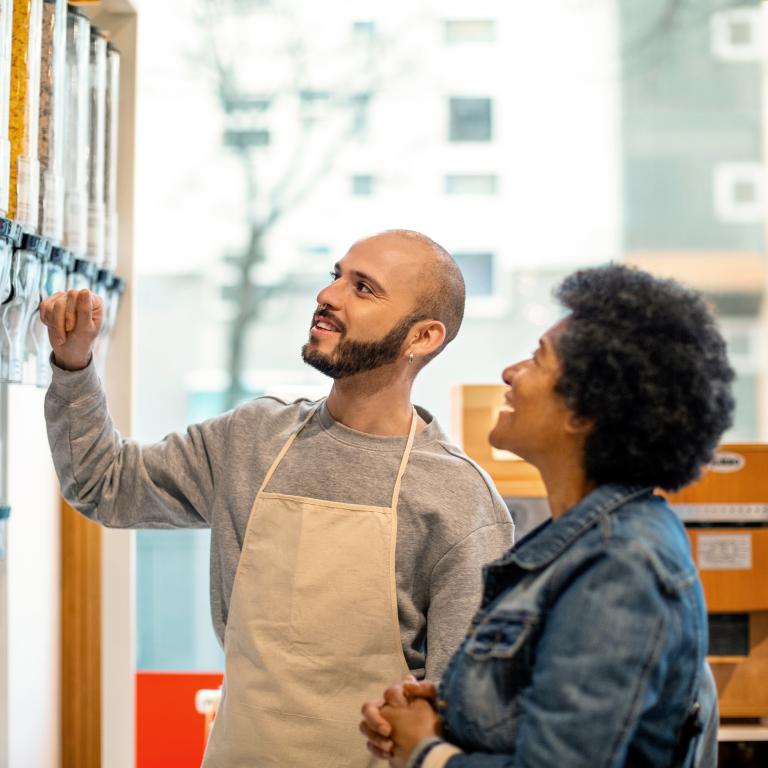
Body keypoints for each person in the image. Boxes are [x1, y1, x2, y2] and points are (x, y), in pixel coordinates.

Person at [41, 229, 514, 767]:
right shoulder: (252, 439)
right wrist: (74, 367)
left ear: (424, 337)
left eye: (363, 288)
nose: (329, 295)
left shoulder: (459, 498)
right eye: (336, 276)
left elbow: (463, 715)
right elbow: (104, 484)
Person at [360, 263, 732, 768]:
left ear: (584, 413)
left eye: (538, 359)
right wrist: (447, 717)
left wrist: (428, 753)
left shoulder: (620, 564)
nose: (510, 373)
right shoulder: (580, 546)